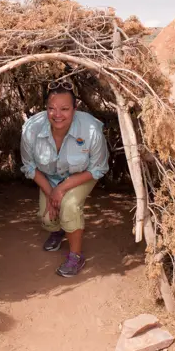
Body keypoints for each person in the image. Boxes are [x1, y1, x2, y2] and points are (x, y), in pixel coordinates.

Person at [20, 81, 109, 277]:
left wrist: (62, 189)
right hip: (49, 178)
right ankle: (59, 231)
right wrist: (51, 190)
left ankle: (76, 256)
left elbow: (98, 168)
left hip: (81, 176)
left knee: (68, 206)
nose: (57, 114)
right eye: (51, 108)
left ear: (75, 109)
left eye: (64, 109)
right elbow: (29, 166)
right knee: (47, 218)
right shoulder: (31, 129)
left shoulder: (91, 130)